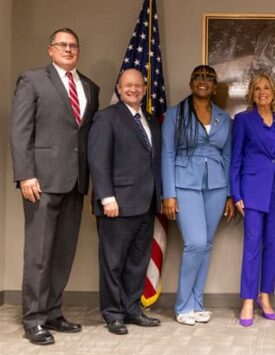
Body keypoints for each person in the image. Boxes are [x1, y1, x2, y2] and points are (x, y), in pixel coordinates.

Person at [9, 28, 100, 345]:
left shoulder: (89, 86)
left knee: (62, 253)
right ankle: (33, 318)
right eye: (63, 45)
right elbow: (20, 131)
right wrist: (25, 174)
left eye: (74, 45)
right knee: (39, 253)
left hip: (75, 182)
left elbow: (84, 138)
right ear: (50, 50)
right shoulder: (32, 80)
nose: (69, 49)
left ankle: (52, 311)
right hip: (41, 182)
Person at [88, 68, 162, 335]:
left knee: (137, 262)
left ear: (144, 89)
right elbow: (98, 161)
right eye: (127, 85)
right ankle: (113, 313)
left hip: (146, 203)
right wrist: (107, 197)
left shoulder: (151, 120)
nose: (133, 89)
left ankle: (132, 309)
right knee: (113, 262)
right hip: (116, 204)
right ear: (119, 88)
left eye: (138, 85)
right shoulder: (107, 118)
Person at [162, 65, 234, 325]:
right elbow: (167, 154)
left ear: (215, 87)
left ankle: (197, 302)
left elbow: (227, 156)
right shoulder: (175, 114)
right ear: (191, 82)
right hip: (185, 184)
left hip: (216, 185)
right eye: (198, 77)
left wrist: (228, 193)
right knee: (195, 243)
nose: (202, 82)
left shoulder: (224, 118)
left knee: (207, 245)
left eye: (208, 79)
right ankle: (183, 305)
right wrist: (169, 194)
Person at [230, 73, 275, 327]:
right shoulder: (243, 120)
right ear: (252, 94)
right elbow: (235, 159)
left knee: (274, 245)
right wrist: (236, 193)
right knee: (252, 246)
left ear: (273, 92)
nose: (262, 92)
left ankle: (264, 296)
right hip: (253, 190)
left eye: (266, 88)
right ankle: (247, 299)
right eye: (257, 89)